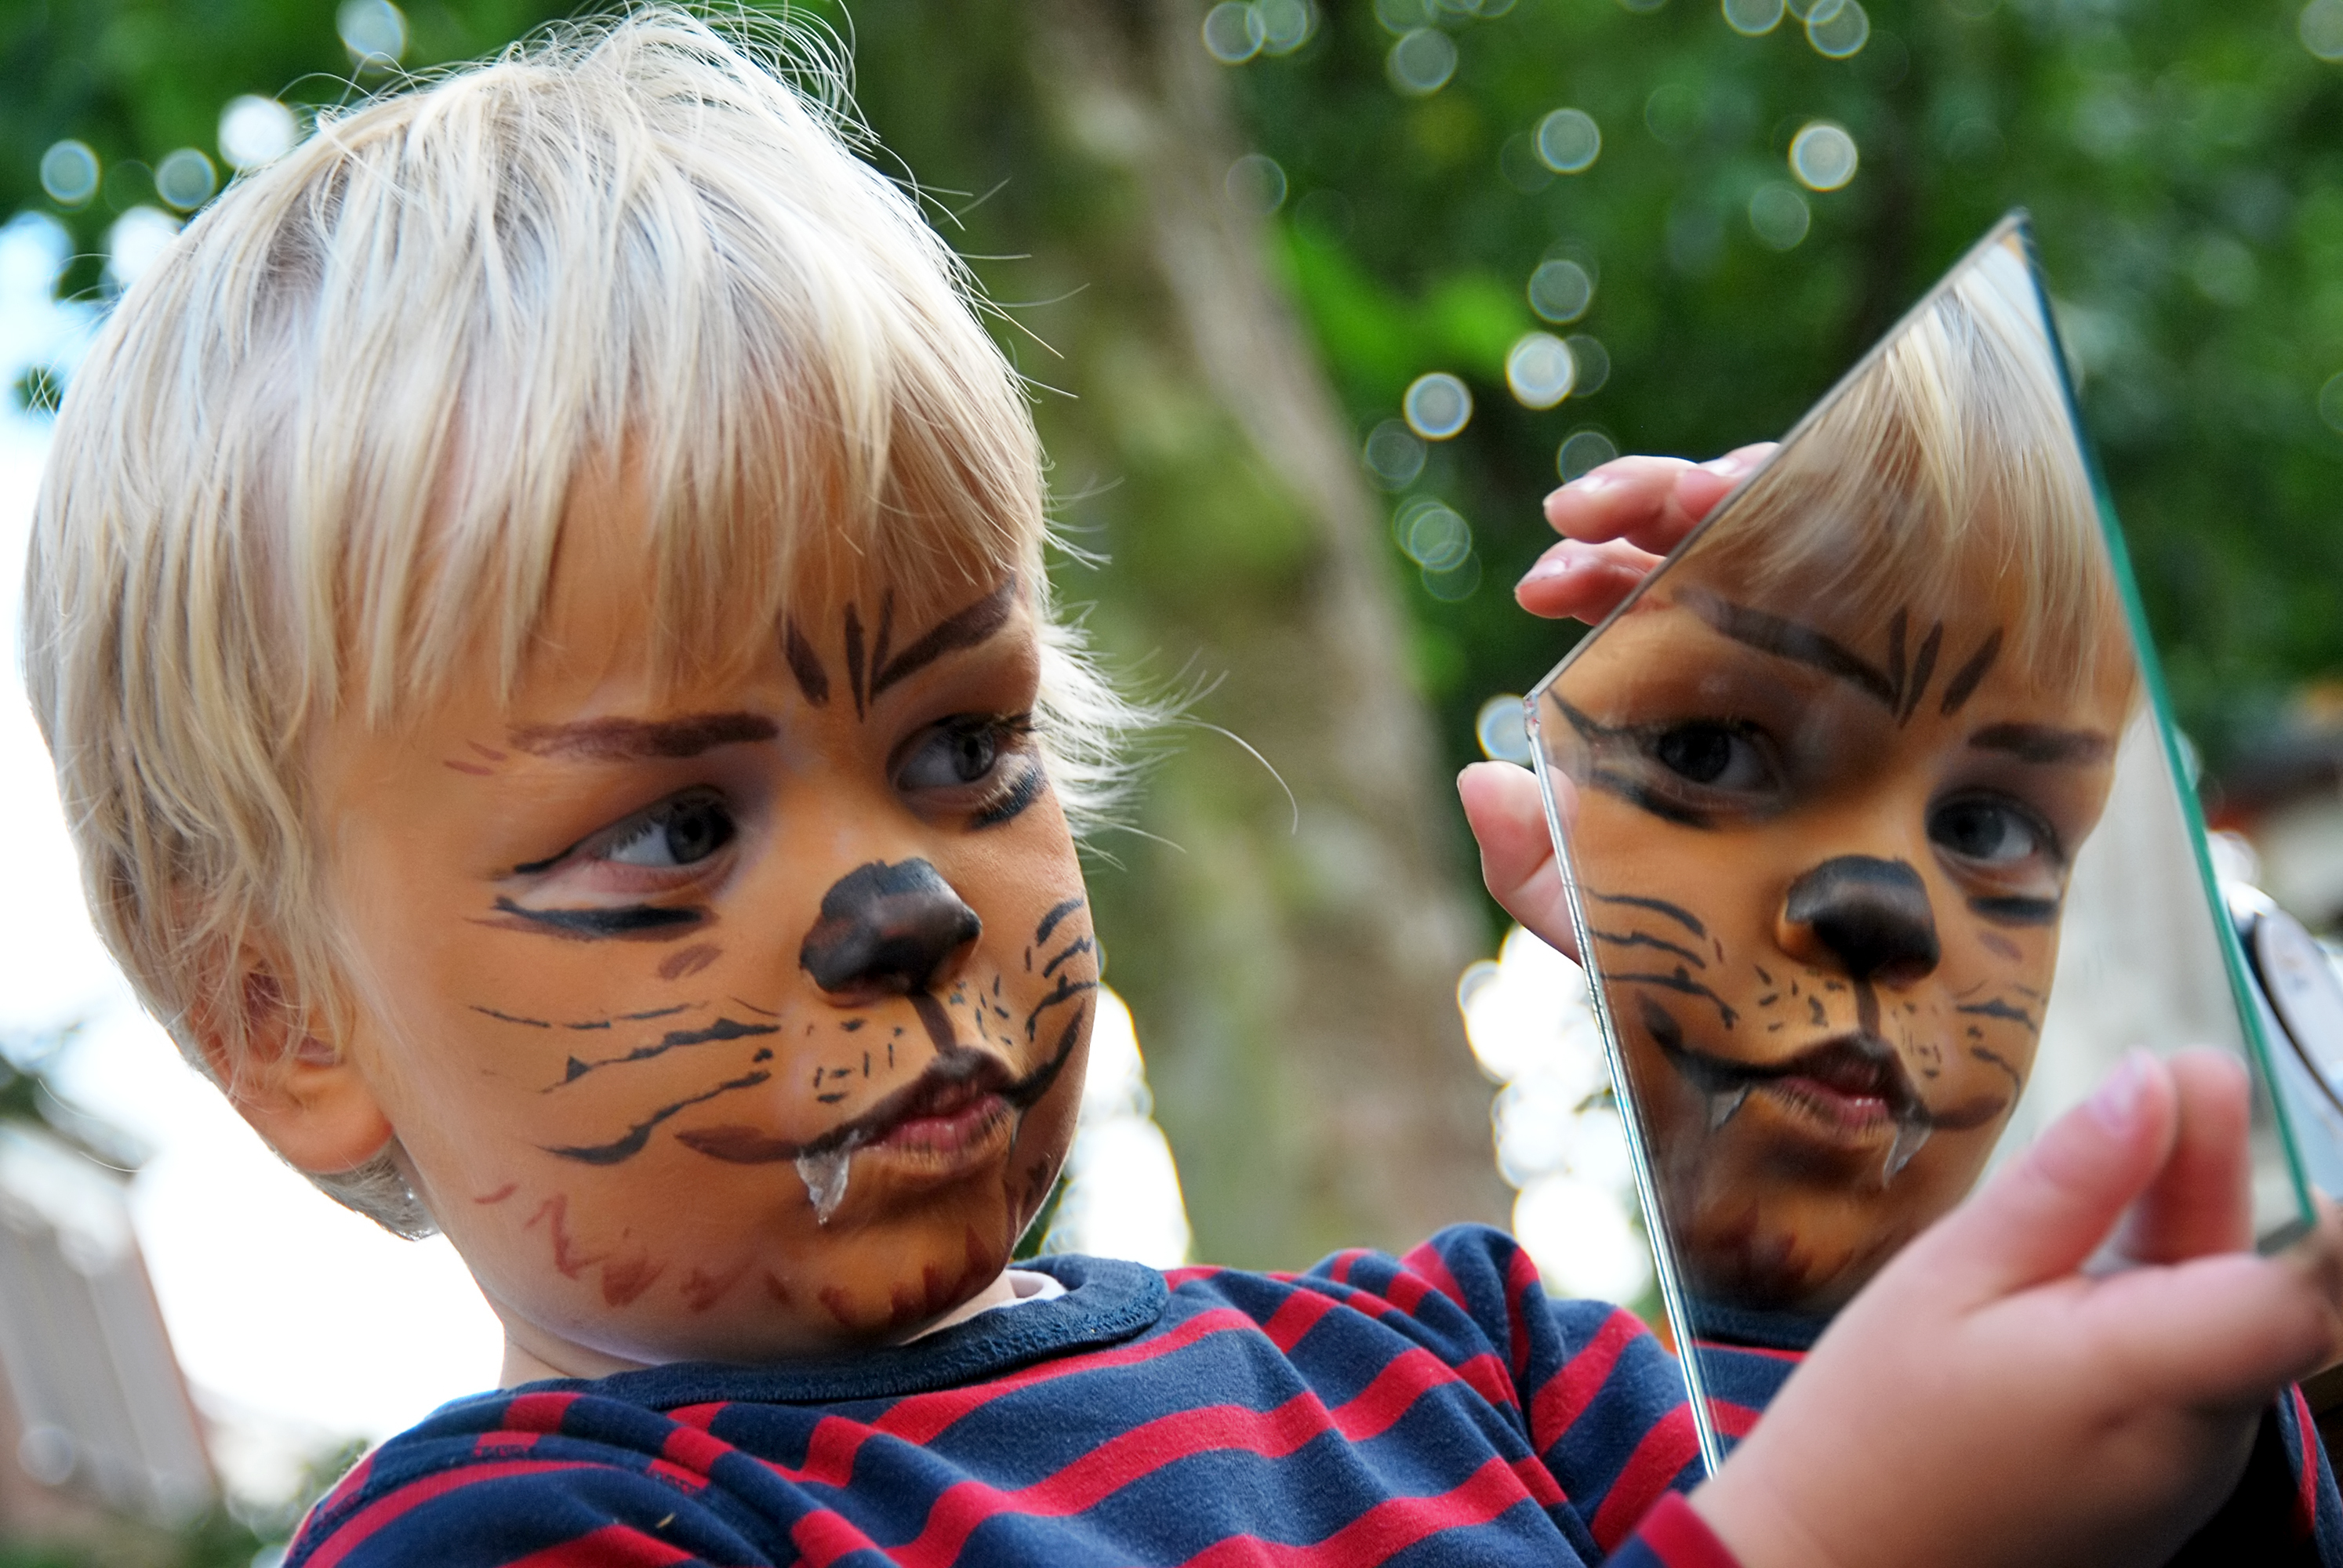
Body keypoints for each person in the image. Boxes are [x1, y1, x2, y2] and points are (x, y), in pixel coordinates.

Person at [22, 9, 2343, 1564]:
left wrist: (1944, 948)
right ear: (282, 1022)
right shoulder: (537, 1541)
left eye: (960, 745)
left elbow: (2090, 1469)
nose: (906, 904)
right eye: (678, 824)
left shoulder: (1467, 1366)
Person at [1536, 235, 2141, 1321]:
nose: (1881, 904)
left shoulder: (2230, 1413)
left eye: (1991, 828)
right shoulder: (1457, 1376)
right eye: (1706, 752)